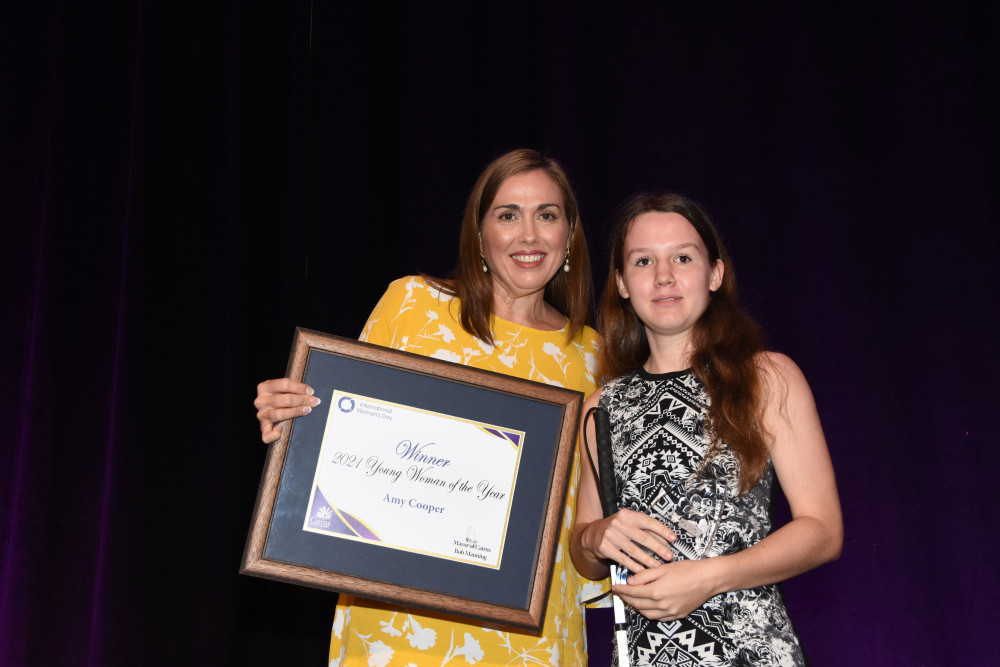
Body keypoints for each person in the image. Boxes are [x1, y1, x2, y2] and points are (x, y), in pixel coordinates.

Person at [255, 149, 606, 665]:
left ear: (569, 234)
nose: (529, 235)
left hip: (533, 634)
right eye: (508, 215)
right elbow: (343, 446)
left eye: (547, 215)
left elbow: (588, 515)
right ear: (480, 235)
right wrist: (291, 419)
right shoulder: (413, 306)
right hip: (400, 622)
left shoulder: (595, 358)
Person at [569, 193, 843, 666]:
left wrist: (709, 577)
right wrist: (593, 538)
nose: (663, 276)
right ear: (622, 283)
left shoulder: (766, 378)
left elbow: (822, 531)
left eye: (683, 257)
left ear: (714, 274)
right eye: (642, 261)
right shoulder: (600, 408)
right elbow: (584, 552)